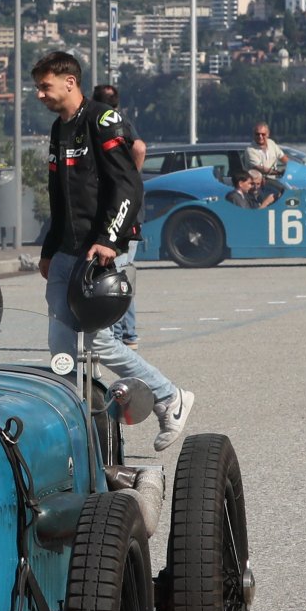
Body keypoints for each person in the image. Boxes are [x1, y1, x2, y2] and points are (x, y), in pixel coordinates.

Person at [32, 50, 195, 453]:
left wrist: (109, 238)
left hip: (101, 251)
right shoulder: (59, 128)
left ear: (70, 82)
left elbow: (128, 185)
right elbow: (58, 195)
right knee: (60, 344)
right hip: (66, 252)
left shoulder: (102, 120)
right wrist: (49, 248)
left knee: (98, 341)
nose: (39, 94)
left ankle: (169, 397)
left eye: (45, 86)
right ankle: (73, 429)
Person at [91, 83, 144, 348]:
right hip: (131, 212)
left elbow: (140, 148)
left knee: (115, 275)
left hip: (119, 213)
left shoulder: (108, 123)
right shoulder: (123, 120)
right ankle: (127, 333)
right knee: (122, 274)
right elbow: (139, 148)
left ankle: (120, 333)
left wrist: (127, 177)